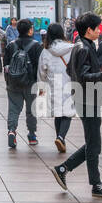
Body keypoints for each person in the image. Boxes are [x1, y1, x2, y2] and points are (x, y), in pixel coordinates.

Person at [52, 13, 102, 199]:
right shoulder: (84, 48)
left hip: (86, 98)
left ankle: (63, 168)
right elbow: (83, 76)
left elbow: (72, 71)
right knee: (94, 145)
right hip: (86, 99)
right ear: (89, 30)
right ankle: (96, 184)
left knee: (94, 144)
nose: (100, 30)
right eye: (98, 27)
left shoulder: (83, 46)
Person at [36, 23, 75, 153]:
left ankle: (60, 139)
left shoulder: (45, 51)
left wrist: (41, 87)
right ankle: (61, 137)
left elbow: (42, 71)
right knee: (67, 113)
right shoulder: (71, 48)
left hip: (53, 84)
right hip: (68, 82)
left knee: (58, 112)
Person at [4, 18, 42, 149]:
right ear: (30, 30)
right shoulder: (37, 46)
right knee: (31, 110)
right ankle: (32, 135)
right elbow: (39, 67)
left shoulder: (11, 45)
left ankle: (11, 131)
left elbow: (6, 66)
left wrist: (8, 81)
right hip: (31, 83)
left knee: (14, 109)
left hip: (13, 82)